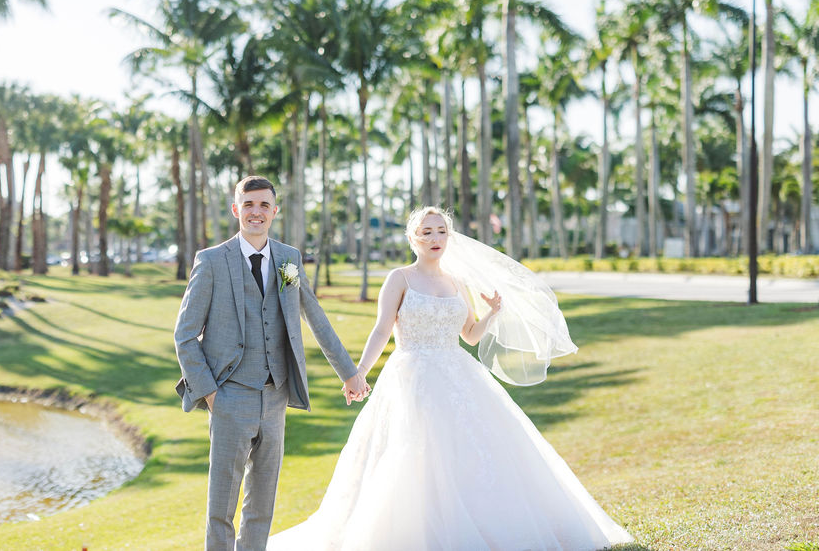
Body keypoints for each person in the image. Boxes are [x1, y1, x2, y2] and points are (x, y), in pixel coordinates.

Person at [268, 207, 634, 550]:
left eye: (441, 231)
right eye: (426, 232)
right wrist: (359, 373)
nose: (435, 237)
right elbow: (381, 330)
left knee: (476, 452)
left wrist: (493, 313)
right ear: (414, 238)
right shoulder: (400, 279)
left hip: (459, 374)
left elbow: (471, 335)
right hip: (411, 376)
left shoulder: (458, 283)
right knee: (416, 452)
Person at [174, 175, 370, 551]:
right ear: (236, 210)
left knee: (262, 506)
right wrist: (213, 396)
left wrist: (350, 373)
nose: (256, 212)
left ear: (275, 211)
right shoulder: (212, 261)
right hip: (230, 397)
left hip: (275, 397)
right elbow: (184, 335)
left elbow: (315, 316)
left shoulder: (288, 259)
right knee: (221, 508)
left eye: (264, 205)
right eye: (248, 204)